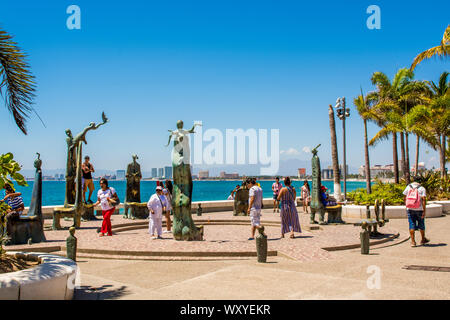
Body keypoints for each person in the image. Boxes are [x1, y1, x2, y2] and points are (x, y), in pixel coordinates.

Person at [403, 177, 430, 247]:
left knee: (411, 224)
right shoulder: (422, 188)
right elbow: (424, 199)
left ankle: (413, 242)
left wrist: (407, 206)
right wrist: (424, 210)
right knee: (421, 224)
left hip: (410, 209)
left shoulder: (408, 187)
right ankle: (423, 239)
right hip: (419, 209)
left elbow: (404, 197)